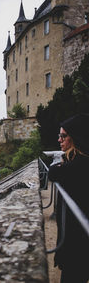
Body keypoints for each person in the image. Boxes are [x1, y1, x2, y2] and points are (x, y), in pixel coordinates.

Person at [48, 113, 89, 283]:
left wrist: (62, 163)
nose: (59, 140)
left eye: (63, 136)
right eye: (59, 135)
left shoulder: (80, 164)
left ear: (76, 138)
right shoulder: (77, 161)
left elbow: (53, 172)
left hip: (78, 245)